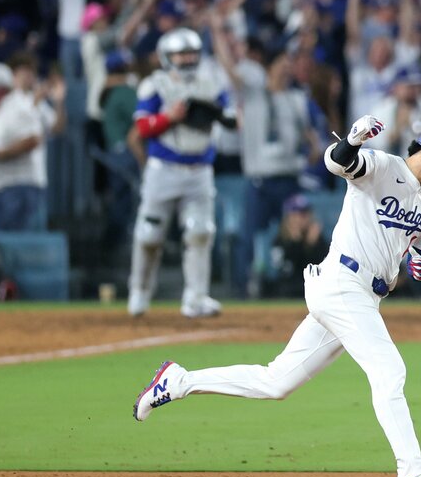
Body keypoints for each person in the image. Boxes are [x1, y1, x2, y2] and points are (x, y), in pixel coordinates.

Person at [133, 116, 421, 477]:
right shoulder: (383, 167)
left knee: (276, 381)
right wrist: (352, 140)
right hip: (341, 283)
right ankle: (413, 470)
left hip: (364, 296)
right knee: (389, 369)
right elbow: (339, 162)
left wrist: (420, 265)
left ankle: (178, 381)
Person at [128, 27, 235, 318]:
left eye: (191, 53)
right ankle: (139, 291)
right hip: (163, 169)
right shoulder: (155, 85)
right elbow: (142, 127)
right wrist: (169, 117)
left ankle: (196, 298)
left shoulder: (210, 83)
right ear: (166, 57)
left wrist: (216, 114)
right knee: (149, 235)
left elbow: (231, 118)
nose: (187, 59)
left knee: (200, 233)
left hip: (199, 169)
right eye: (181, 54)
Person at [214, 24, 316, 297]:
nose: (287, 68)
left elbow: (310, 140)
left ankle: (299, 288)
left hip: (290, 178)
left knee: (297, 233)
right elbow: (230, 70)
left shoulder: (297, 99)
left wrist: (314, 147)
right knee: (248, 236)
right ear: (270, 66)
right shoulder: (254, 94)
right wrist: (217, 31)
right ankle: (241, 289)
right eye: (283, 63)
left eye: (289, 63)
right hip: (261, 179)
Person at [0, 62, 47, 232]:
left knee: (19, 243)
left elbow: (33, 140)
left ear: (0, 89)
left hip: (19, 187)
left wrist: (0, 154)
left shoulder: (19, 107)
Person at [265, 195, 329, 296]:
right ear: (288, 217)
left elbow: (322, 268)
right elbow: (283, 272)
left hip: (314, 291)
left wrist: (312, 245)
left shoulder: (317, 238)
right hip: (286, 291)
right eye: (297, 214)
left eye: (304, 214)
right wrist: (296, 243)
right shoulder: (280, 240)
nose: (301, 218)